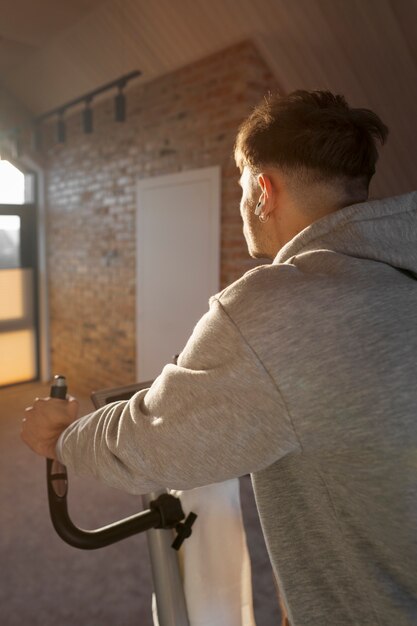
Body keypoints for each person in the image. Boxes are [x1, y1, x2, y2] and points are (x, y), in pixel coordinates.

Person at [22, 90, 417, 626]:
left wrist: (62, 435)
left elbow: (148, 444)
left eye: (239, 187)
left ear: (262, 190)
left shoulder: (279, 307)